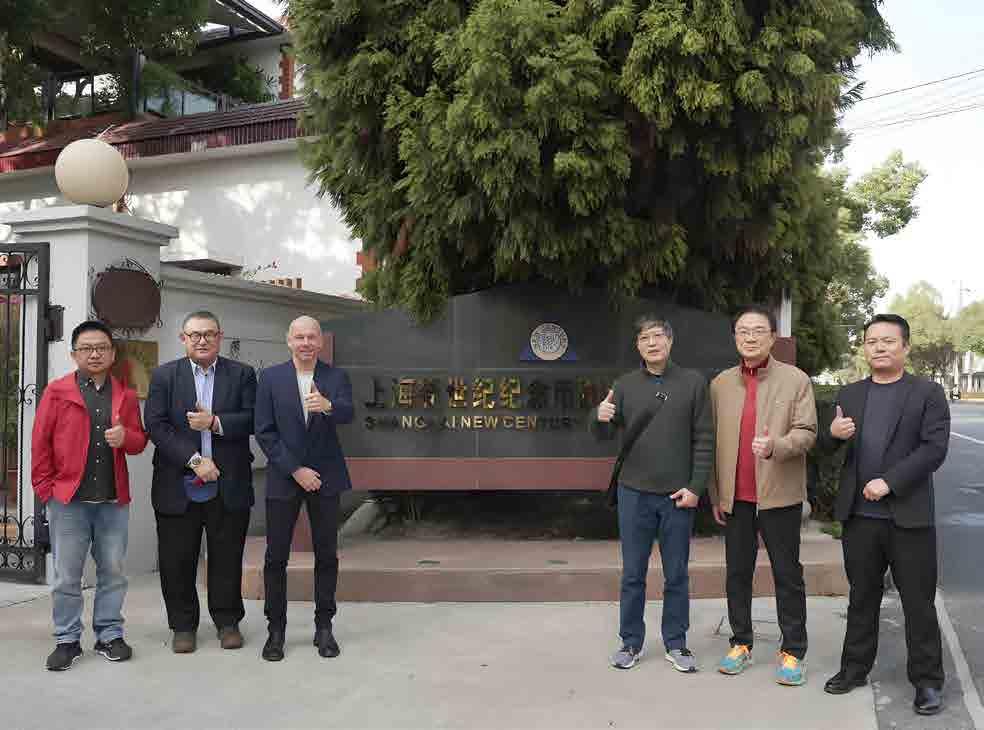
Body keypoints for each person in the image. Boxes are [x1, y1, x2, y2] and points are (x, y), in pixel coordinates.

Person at [821, 314, 950, 716]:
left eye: (888, 341)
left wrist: (890, 482)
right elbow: (827, 451)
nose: (878, 347)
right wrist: (832, 436)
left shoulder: (927, 393)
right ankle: (854, 669)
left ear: (905, 347)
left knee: (918, 603)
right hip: (860, 518)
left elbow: (934, 449)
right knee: (861, 597)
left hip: (909, 517)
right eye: (871, 341)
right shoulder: (850, 393)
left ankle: (927, 681)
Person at [591, 314, 713, 672]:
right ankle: (630, 641)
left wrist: (696, 487)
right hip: (634, 493)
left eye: (658, 336)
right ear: (638, 346)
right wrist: (598, 416)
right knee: (633, 573)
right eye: (644, 338)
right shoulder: (625, 385)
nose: (652, 343)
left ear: (670, 341)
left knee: (677, 574)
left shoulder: (693, 383)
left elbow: (704, 438)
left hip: (677, 496)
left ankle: (676, 642)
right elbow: (603, 433)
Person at [708, 305, 817, 686]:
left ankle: (794, 650)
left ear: (772, 337)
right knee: (737, 573)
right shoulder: (720, 384)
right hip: (736, 497)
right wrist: (716, 494)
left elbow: (807, 432)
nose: (750, 337)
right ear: (735, 338)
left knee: (788, 575)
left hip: (780, 496)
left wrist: (777, 446)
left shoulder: (795, 380)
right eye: (743, 331)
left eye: (758, 331)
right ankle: (740, 642)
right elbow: (711, 442)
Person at [31, 320, 148, 670]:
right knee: (67, 577)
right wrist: (47, 493)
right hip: (69, 503)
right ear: (74, 354)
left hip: (112, 503)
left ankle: (109, 635)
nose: (94, 354)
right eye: (86, 348)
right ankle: (67, 640)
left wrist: (125, 438)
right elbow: (40, 445)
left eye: (101, 348)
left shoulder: (125, 395)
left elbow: (140, 441)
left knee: (113, 572)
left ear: (112, 354)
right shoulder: (57, 392)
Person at [144, 311, 257, 654]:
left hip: (229, 482)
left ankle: (227, 622)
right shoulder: (164, 376)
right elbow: (156, 425)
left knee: (226, 557)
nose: (202, 340)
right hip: (177, 483)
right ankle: (183, 626)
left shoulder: (242, 374)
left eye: (209, 334)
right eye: (195, 335)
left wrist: (215, 422)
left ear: (220, 337)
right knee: (176, 559)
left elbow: (254, 418)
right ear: (184, 339)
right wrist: (195, 461)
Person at [254, 315, 354, 661]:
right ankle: (276, 630)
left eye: (312, 337)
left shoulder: (335, 377)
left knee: (326, 555)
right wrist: (295, 469)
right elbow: (264, 431)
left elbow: (348, 413)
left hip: (326, 476)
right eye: (300, 337)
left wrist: (329, 406)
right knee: (275, 557)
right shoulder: (270, 378)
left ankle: (324, 627)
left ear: (320, 342)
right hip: (285, 477)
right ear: (289, 340)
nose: (306, 343)